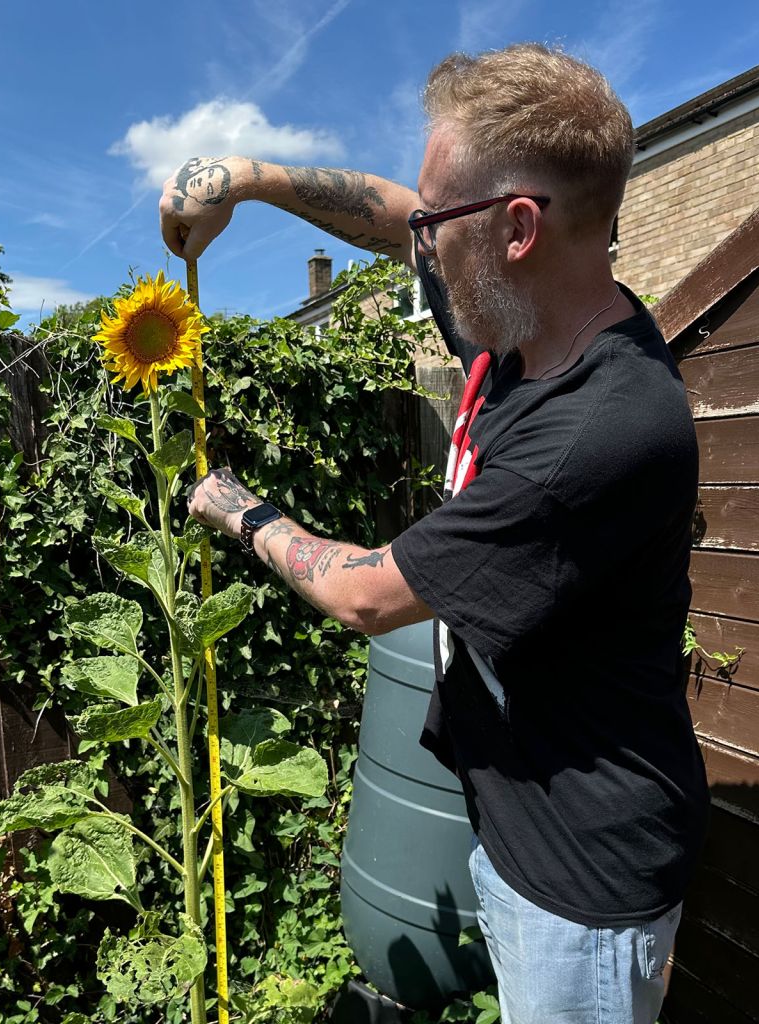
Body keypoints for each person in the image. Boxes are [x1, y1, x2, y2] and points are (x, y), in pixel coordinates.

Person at [164, 43, 710, 1024]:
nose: (417, 238)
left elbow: (367, 593)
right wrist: (249, 178)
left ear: (518, 227)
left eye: (437, 217)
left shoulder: (596, 429)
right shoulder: (529, 322)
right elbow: (395, 217)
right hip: (519, 826)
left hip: (581, 884)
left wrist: (235, 506)